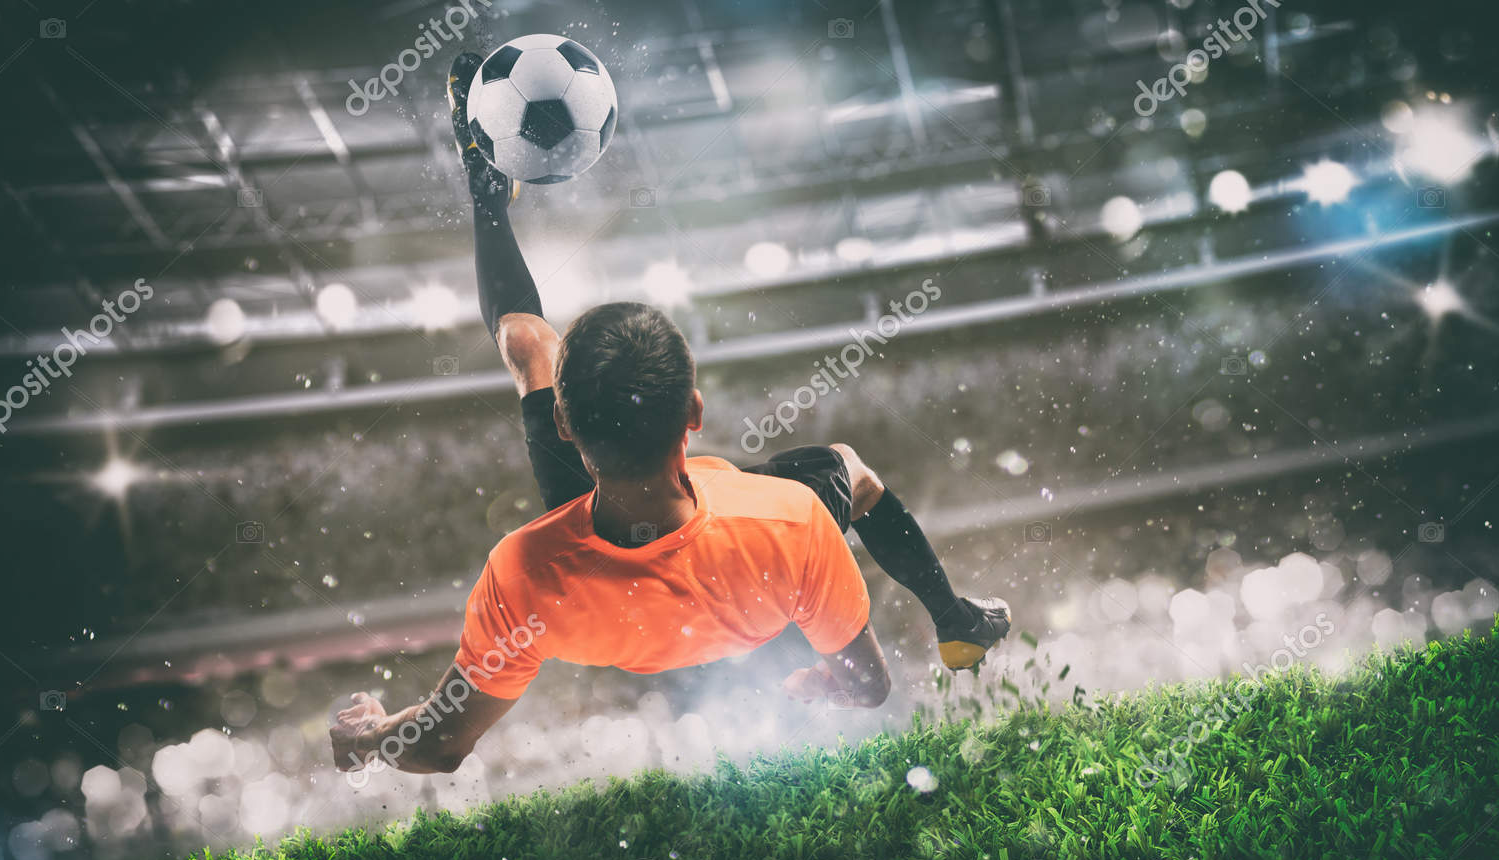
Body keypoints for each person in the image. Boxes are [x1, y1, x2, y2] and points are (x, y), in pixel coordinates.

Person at [328, 54, 1010, 775]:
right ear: (694, 412)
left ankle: (486, 191)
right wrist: (823, 681)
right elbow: (870, 687)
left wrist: (370, 735)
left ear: (565, 424)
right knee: (853, 474)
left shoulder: (524, 575)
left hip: (597, 576)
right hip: (740, 557)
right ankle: (955, 620)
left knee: (527, 343)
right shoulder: (789, 521)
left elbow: (437, 743)